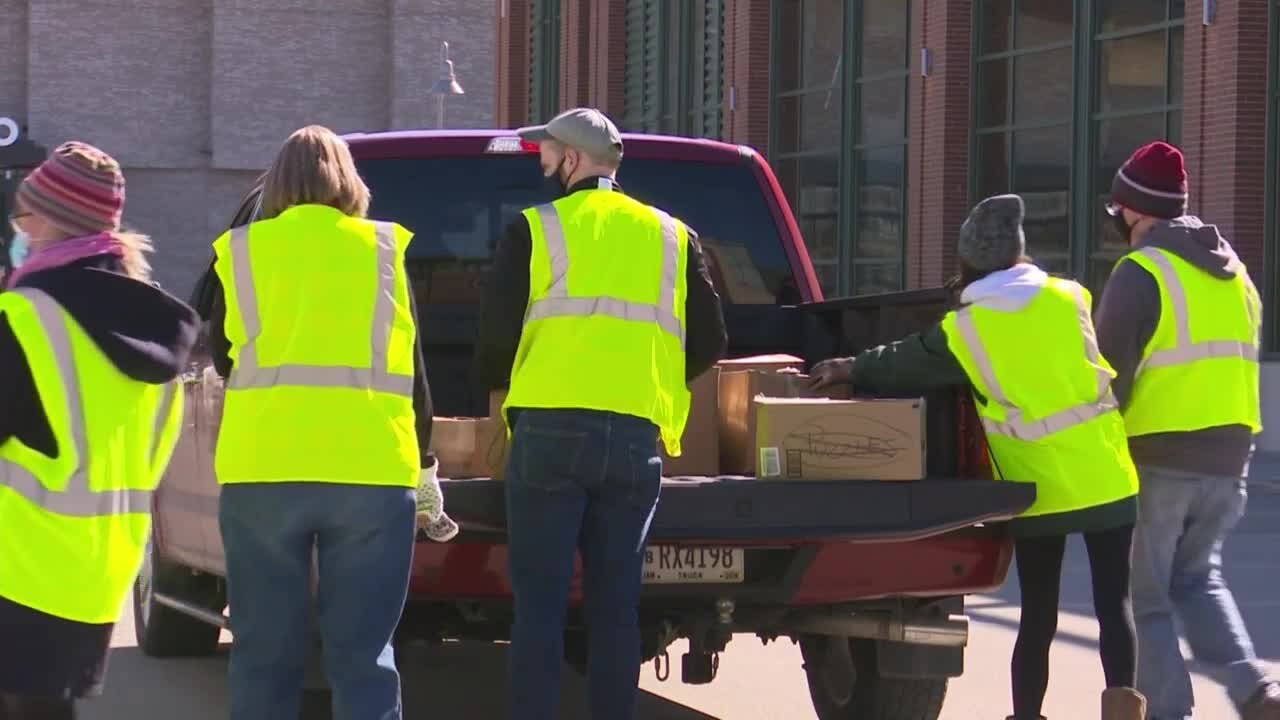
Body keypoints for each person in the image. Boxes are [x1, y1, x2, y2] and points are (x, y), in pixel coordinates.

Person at [808, 194, 1146, 720]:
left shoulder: (965, 329)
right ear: (1019, 253)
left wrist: (850, 368)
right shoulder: (1071, 297)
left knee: (1037, 615)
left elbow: (903, 362)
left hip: (1039, 487)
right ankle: (1125, 712)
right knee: (1114, 604)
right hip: (1107, 474)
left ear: (967, 263)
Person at [474, 107, 727, 720]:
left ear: (575, 160)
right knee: (617, 609)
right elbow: (712, 339)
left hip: (548, 435)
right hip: (634, 437)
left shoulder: (534, 230)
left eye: (549, 149)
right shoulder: (671, 234)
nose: (541, 159)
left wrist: (499, 390)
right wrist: (649, 378)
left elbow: (494, 342)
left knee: (540, 608)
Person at [202, 125, 445, 720]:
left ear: (277, 183)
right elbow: (413, 373)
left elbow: (222, 356)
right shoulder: (384, 249)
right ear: (349, 181)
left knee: (262, 653)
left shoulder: (240, 251)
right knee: (364, 656)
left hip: (264, 470)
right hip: (370, 472)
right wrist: (427, 468)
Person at [0, 142, 198, 719]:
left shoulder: (26, 319)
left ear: (53, 223)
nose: (18, 230)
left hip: (15, 565)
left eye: (24, 215)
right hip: (94, 570)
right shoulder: (159, 337)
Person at [1094, 141, 1280, 720]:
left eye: (1119, 213)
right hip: (1230, 460)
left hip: (1158, 457)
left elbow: (1107, 377)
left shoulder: (1140, 271)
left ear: (1135, 211)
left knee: (1145, 602)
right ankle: (1254, 689)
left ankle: (1169, 712)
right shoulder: (1235, 275)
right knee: (1197, 580)